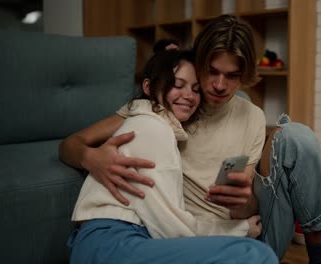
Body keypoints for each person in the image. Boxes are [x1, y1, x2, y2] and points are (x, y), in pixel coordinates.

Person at [60, 15, 321, 263]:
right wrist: (92, 158)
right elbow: (70, 144)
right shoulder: (162, 109)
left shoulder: (251, 117)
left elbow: (247, 211)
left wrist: (243, 201)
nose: (219, 85)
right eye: (212, 72)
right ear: (198, 63)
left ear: (244, 76)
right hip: (182, 238)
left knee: (296, 136)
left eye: (232, 76)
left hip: (239, 233)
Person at [67, 47, 276, 263]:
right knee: (254, 254)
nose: (189, 96)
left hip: (123, 241)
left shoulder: (159, 126)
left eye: (196, 90)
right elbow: (170, 227)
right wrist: (240, 229)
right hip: (112, 242)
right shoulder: (152, 128)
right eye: (178, 85)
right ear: (148, 87)